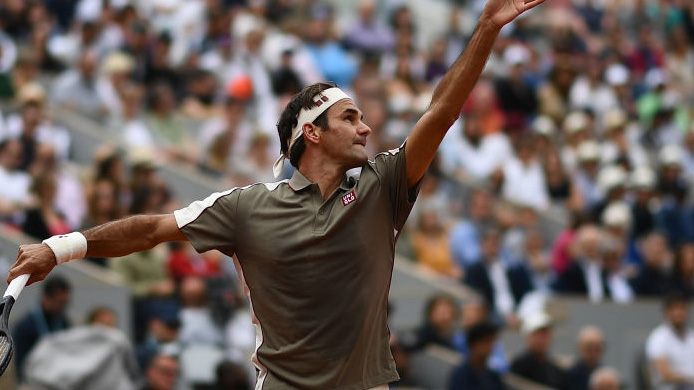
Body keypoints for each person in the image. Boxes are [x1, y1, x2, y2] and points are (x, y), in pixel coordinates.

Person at [8, 1, 550, 388]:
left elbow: (441, 112)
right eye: (350, 117)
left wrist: (486, 29)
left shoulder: (384, 184)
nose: (365, 129)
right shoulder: (246, 205)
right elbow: (153, 228)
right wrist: (61, 248)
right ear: (312, 133)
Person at [645, 293, 694, 390]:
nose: (679, 313)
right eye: (674, 309)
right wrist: (690, 379)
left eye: (682, 308)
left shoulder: (692, 335)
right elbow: (665, 374)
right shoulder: (658, 338)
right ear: (665, 312)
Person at [510, 311, 565, 389]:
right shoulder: (519, 365)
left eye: (546, 334)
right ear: (528, 337)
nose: (543, 339)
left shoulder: (554, 369)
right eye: (539, 334)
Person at [448, 322, 507, 390]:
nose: (490, 346)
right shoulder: (461, 375)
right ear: (473, 344)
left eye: (492, 342)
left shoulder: (493, 376)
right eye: (486, 342)